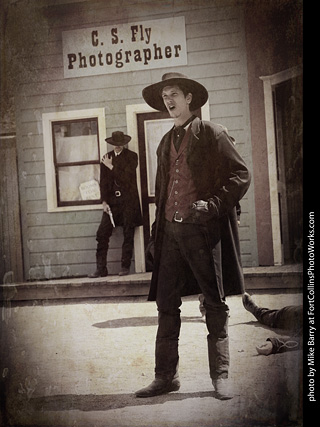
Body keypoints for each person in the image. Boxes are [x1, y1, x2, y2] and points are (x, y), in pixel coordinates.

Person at [135, 72, 251, 400]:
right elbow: (162, 191)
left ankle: (221, 376)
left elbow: (241, 175)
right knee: (166, 304)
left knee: (214, 303)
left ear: (189, 98)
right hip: (170, 235)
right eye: (164, 97)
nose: (168, 101)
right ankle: (165, 377)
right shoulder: (164, 142)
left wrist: (213, 205)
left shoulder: (213, 134)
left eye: (173, 94)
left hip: (203, 233)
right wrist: (157, 235)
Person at [89, 131, 142, 277]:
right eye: (115, 144)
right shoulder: (107, 158)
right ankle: (101, 269)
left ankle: (125, 267)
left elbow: (127, 178)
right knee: (101, 233)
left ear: (124, 143)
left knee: (128, 233)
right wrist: (104, 202)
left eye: (120, 144)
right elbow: (104, 183)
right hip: (112, 203)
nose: (117, 147)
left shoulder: (132, 157)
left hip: (128, 202)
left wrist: (111, 167)